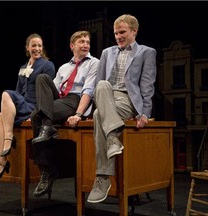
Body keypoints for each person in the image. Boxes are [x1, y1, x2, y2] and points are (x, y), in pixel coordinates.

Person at [87, 14, 157, 203]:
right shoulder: (106, 53)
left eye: (122, 32)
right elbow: (97, 85)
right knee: (101, 86)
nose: (118, 36)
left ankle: (102, 178)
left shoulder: (146, 52)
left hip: (128, 100)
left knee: (97, 114)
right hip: (106, 96)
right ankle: (112, 140)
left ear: (134, 31)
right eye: (116, 33)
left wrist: (144, 113)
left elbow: (147, 85)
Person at [30, 30, 99, 198]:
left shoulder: (94, 63)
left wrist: (78, 113)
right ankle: (47, 128)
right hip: (61, 99)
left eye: (87, 42)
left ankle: (47, 172)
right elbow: (48, 92)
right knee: (42, 79)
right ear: (72, 46)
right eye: (81, 42)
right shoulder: (63, 67)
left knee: (35, 116)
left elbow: (88, 91)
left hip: (75, 100)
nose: (85, 45)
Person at [0, 33, 56, 181]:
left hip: (35, 106)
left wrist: (39, 114)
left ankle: (8, 137)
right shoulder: (23, 67)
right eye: (34, 45)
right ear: (27, 47)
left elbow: (47, 92)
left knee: (6, 93)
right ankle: (2, 161)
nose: (37, 48)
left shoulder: (47, 65)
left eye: (39, 45)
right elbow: (18, 92)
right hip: (23, 103)